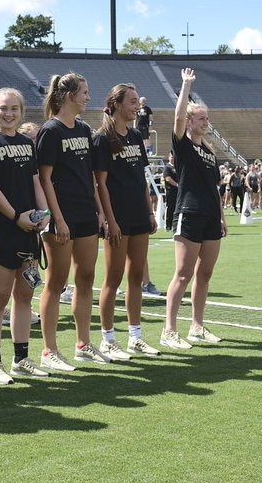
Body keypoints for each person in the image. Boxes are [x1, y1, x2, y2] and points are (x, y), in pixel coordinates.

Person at [0, 88, 50, 384]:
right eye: (3, 108)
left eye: (14, 109)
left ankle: (21, 359)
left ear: (21, 111)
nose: (8, 114)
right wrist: (15, 216)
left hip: (28, 229)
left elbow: (35, 181)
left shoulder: (25, 143)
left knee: (25, 296)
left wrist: (43, 214)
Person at [36, 72, 106, 371]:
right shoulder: (50, 131)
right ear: (69, 95)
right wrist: (56, 219)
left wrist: (100, 211)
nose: (88, 97)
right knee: (56, 282)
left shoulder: (83, 129)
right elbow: (45, 179)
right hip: (61, 218)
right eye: (84, 92)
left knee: (86, 279)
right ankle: (49, 350)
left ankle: (83, 344)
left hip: (85, 214)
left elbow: (90, 176)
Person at [93, 83, 161, 359]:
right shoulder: (102, 138)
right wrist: (109, 219)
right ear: (117, 104)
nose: (137, 106)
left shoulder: (134, 136)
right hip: (117, 217)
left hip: (138, 215)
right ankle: (108, 339)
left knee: (136, 277)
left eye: (137, 102)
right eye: (132, 102)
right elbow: (100, 184)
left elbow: (141, 180)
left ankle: (135, 336)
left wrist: (149, 211)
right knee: (113, 279)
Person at [161, 68, 226, 349]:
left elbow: (215, 187)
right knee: (183, 274)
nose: (206, 123)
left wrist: (222, 217)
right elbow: (176, 118)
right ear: (189, 121)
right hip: (189, 212)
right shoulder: (183, 145)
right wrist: (186, 86)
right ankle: (169, 330)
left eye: (207, 119)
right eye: (201, 118)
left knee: (205, 273)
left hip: (211, 216)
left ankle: (197, 327)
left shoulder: (210, 152)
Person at [162, 151, 179, 231]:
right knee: (170, 208)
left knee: (177, 208)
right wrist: (177, 185)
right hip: (171, 191)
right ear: (169, 158)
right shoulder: (167, 167)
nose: (173, 158)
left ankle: (176, 225)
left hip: (178, 192)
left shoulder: (177, 167)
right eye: (171, 157)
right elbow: (168, 179)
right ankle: (168, 225)